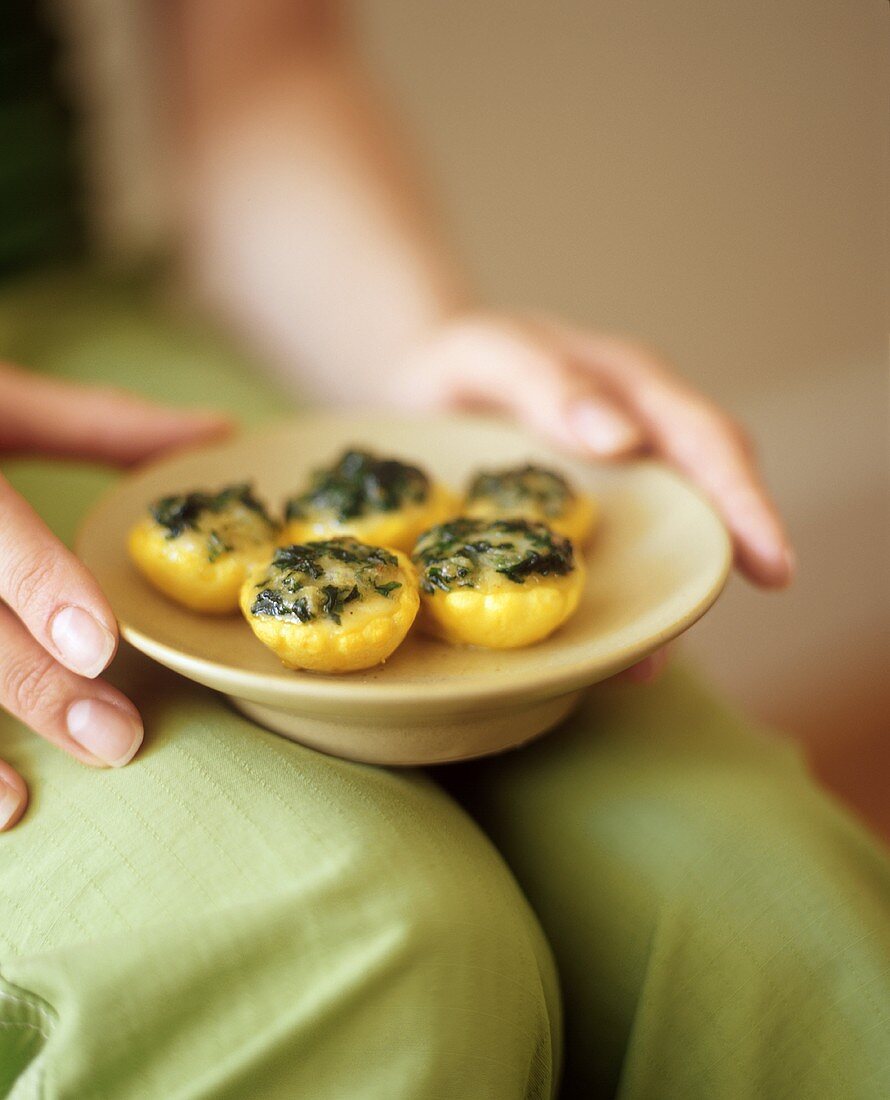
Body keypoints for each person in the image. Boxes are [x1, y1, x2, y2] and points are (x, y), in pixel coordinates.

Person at [0, 4, 887, 1097]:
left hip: (94, 344)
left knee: (762, 904)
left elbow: (263, 77)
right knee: (372, 946)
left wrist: (418, 345)